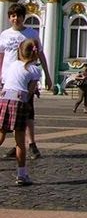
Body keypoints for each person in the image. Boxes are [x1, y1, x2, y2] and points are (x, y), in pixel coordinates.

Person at [0, 2, 51, 160]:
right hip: (7, 80)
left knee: (28, 112)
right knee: (6, 115)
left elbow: (41, 54)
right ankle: (18, 144)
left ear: (24, 17)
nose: (16, 19)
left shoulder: (31, 34)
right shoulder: (4, 34)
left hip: (26, 79)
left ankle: (31, 144)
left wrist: (47, 75)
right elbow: (1, 57)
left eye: (19, 16)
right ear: (9, 18)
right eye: (13, 16)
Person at [0, 39, 42, 186]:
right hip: (19, 103)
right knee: (20, 142)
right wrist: (28, 106)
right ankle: (21, 175)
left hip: (4, 99)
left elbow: (5, 81)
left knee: (1, 135)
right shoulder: (35, 70)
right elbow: (30, 92)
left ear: (19, 51)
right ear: (35, 53)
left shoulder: (12, 65)